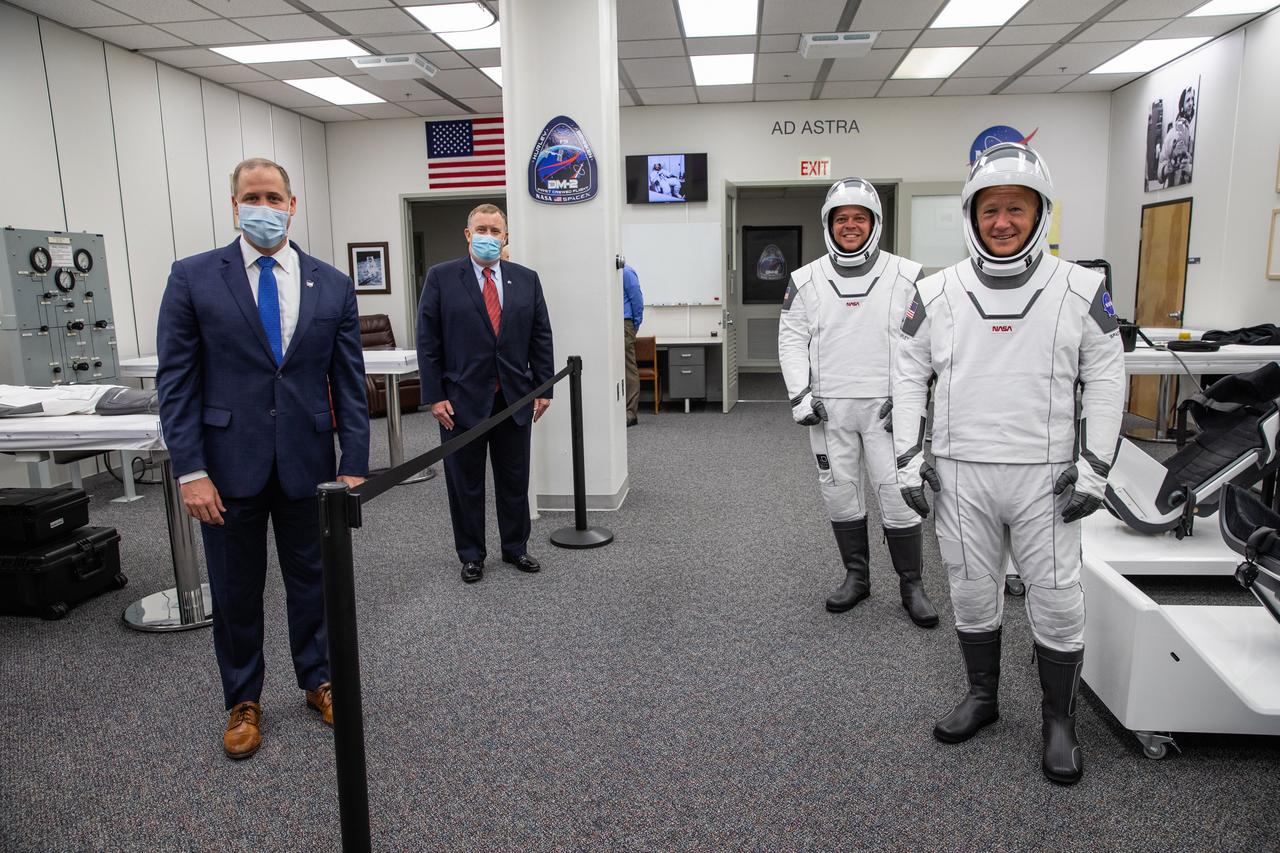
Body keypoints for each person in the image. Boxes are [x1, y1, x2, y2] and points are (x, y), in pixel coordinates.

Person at [891, 142, 1125, 785]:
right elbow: (908, 374)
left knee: (1055, 601)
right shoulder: (934, 292)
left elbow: (1106, 379)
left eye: (1016, 209)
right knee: (970, 590)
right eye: (990, 209)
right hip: (960, 470)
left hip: (1046, 476)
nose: (1002, 222)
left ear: (1039, 213)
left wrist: (1097, 467)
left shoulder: (1082, 289)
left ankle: (1059, 721)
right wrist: (908, 461)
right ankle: (983, 697)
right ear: (971, 215)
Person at [156, 157, 370, 760]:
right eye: (252, 196)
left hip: (310, 464)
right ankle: (243, 699)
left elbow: (349, 384)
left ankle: (319, 680)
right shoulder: (193, 278)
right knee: (236, 590)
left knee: (315, 583)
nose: (265, 207)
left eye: (274, 196)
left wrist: (354, 463)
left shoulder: (330, 283)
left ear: (292, 204)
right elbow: (177, 383)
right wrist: (191, 471)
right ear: (234, 205)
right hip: (227, 468)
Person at [777, 177, 939, 628]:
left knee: (898, 495)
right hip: (829, 411)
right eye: (841, 218)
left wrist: (911, 400)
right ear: (829, 224)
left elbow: (924, 344)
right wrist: (800, 395)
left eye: (859, 218)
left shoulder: (908, 274)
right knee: (840, 494)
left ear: (875, 223)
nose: (850, 226)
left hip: (888, 412)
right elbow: (790, 340)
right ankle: (857, 576)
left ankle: (912, 584)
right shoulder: (804, 279)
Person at [416, 204, 555, 584]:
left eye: (496, 231)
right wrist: (435, 395)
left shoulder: (526, 280)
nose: (489, 237)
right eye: (482, 229)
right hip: (460, 403)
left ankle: (515, 548)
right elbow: (428, 342)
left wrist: (544, 388)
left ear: (506, 236)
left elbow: (540, 335)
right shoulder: (442, 278)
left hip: (515, 398)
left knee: (514, 479)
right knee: (465, 483)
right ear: (467, 234)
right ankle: (472, 554)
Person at [622, 264, 644, 427]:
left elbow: (637, 301)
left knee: (627, 368)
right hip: (611, 323)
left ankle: (630, 413)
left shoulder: (626, 272)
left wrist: (634, 326)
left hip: (624, 323)